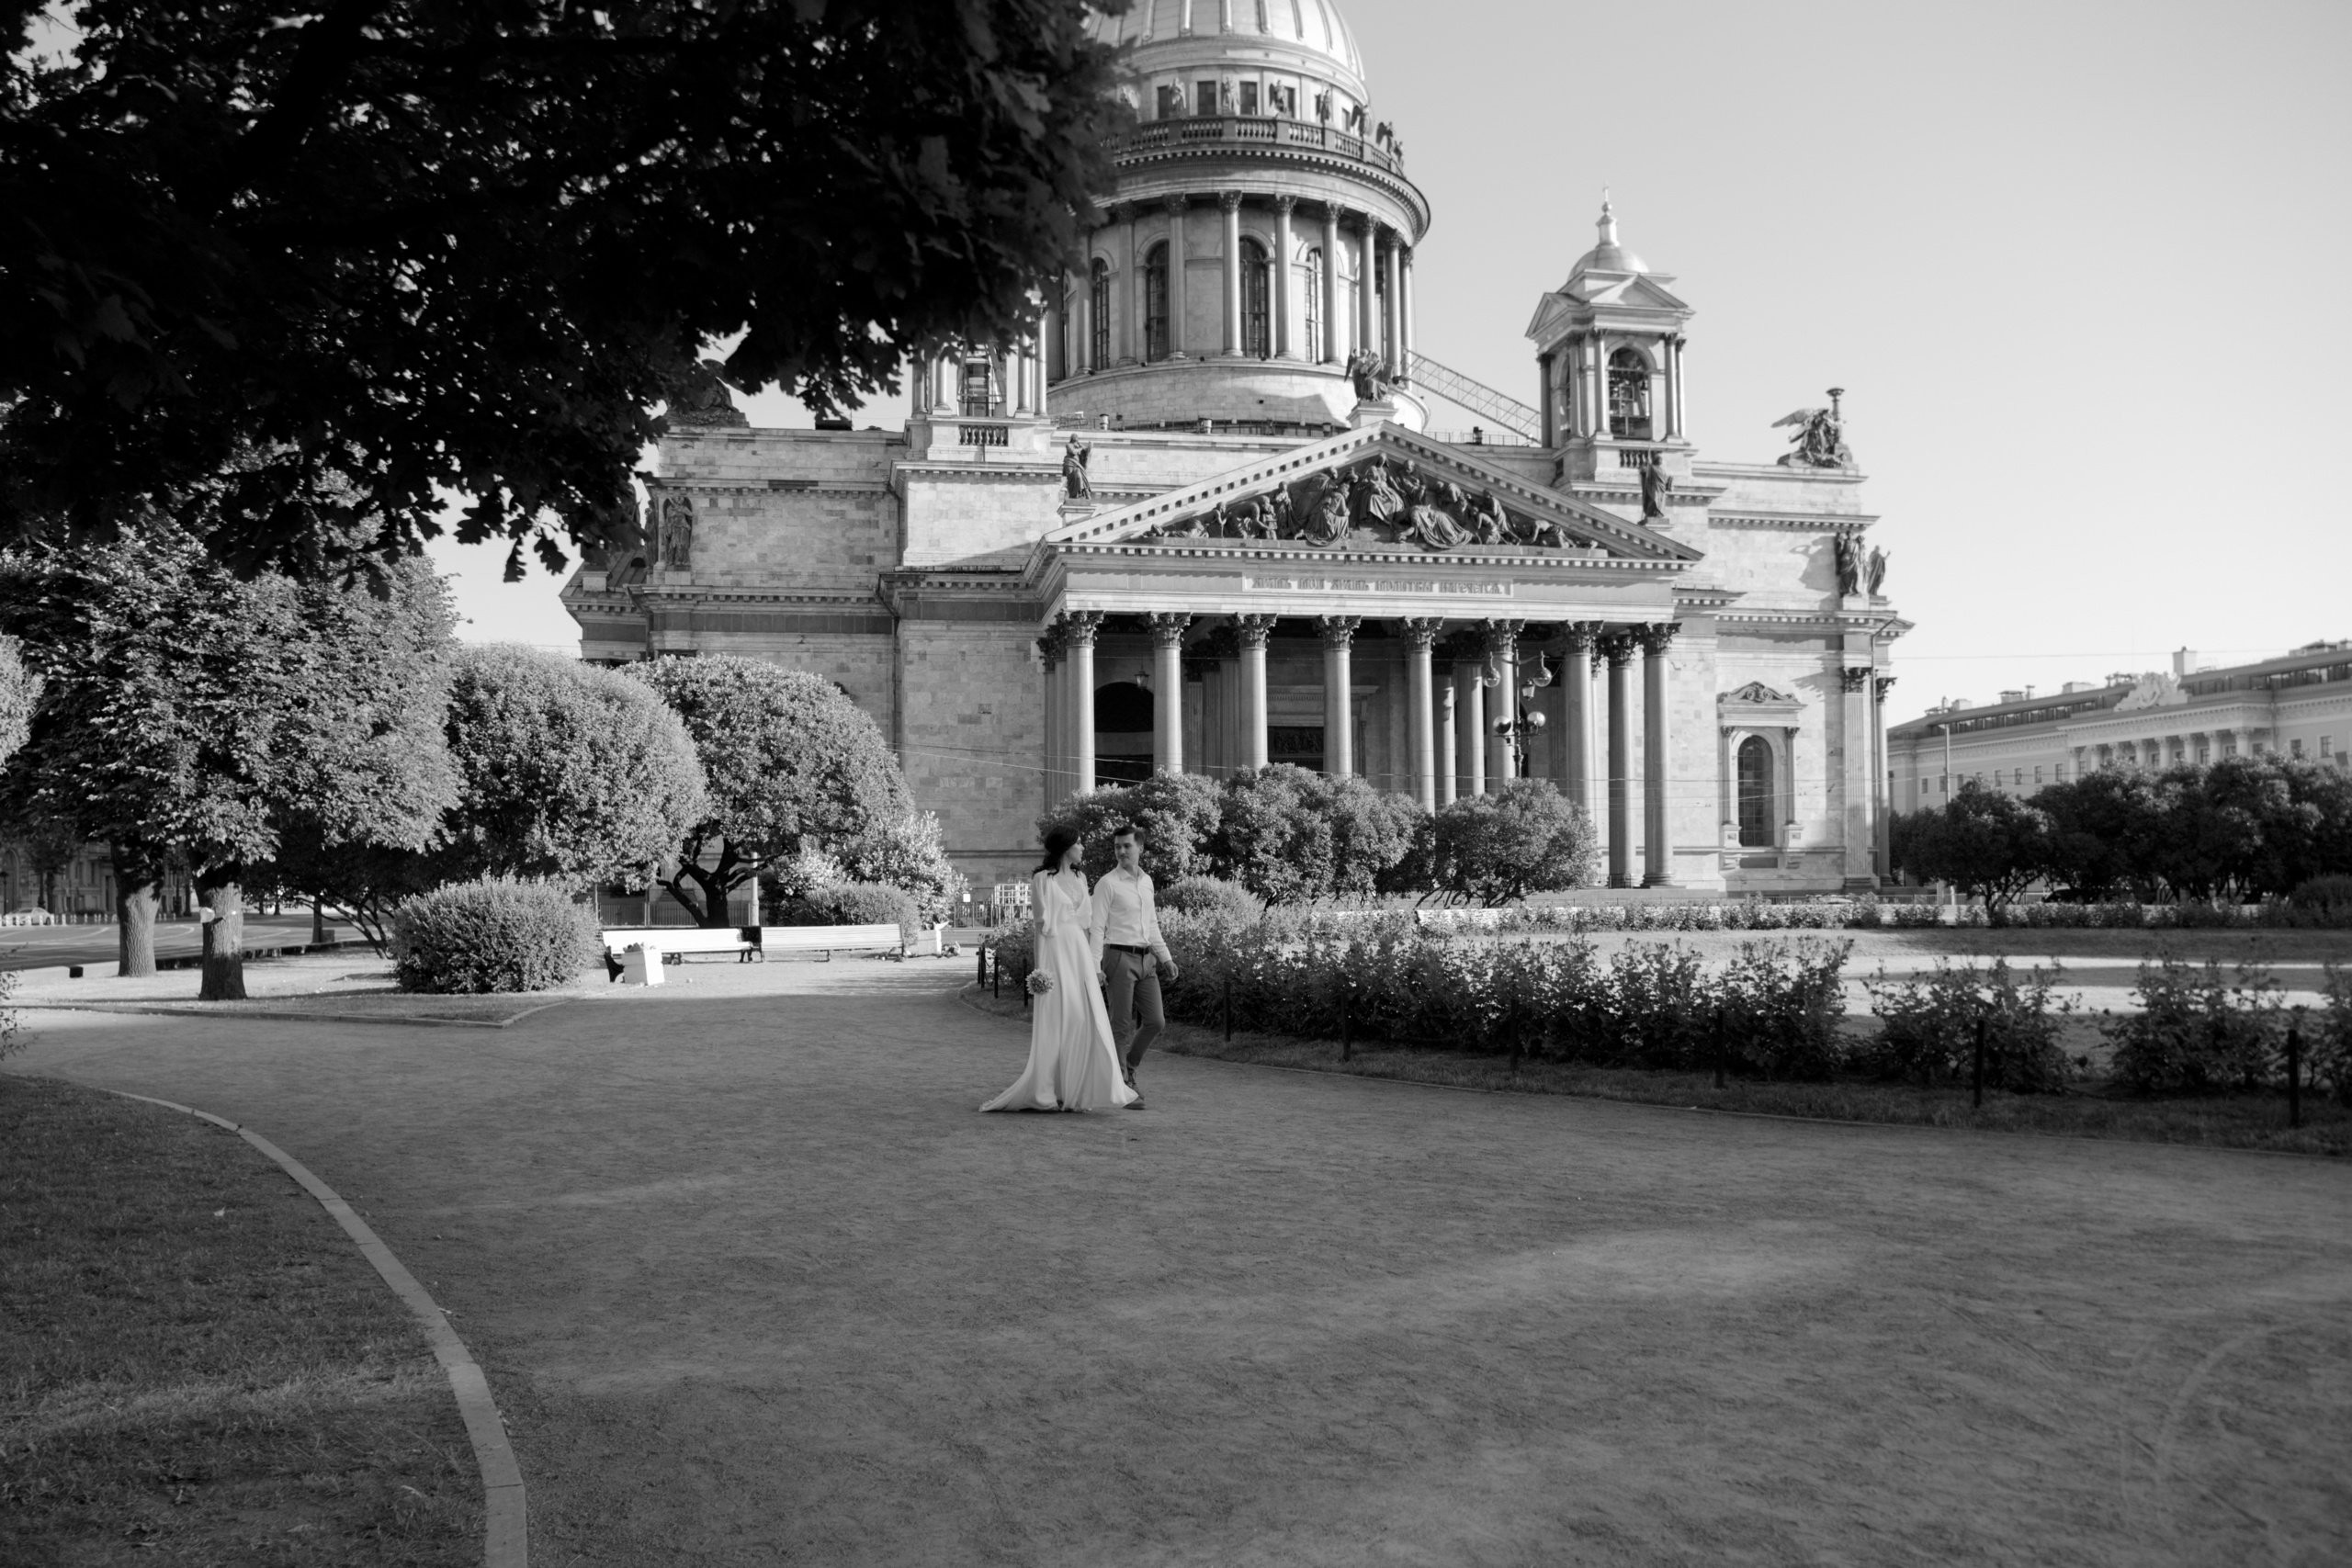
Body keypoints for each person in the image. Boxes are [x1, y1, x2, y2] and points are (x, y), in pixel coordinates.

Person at [979, 829, 1136, 1114]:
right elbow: (1040, 928)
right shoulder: (1042, 880)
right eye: (1078, 842)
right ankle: (1045, 1093)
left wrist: (1094, 964)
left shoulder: (1081, 878)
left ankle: (1076, 1091)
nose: (1082, 847)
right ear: (1066, 848)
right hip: (1055, 955)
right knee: (1056, 1022)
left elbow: (1088, 926)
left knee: (1082, 1019)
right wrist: (1042, 971)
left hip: (1079, 954)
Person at [1091, 823, 1180, 1106]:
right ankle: (1123, 1088)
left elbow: (1151, 924)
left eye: (1127, 846)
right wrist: (1095, 967)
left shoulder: (1146, 881)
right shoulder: (1107, 883)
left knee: (1156, 1021)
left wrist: (1165, 957)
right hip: (1117, 956)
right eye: (1117, 846)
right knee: (1120, 1025)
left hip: (1146, 959)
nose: (1121, 851)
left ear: (1140, 848)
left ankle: (1127, 1068)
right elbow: (1096, 928)